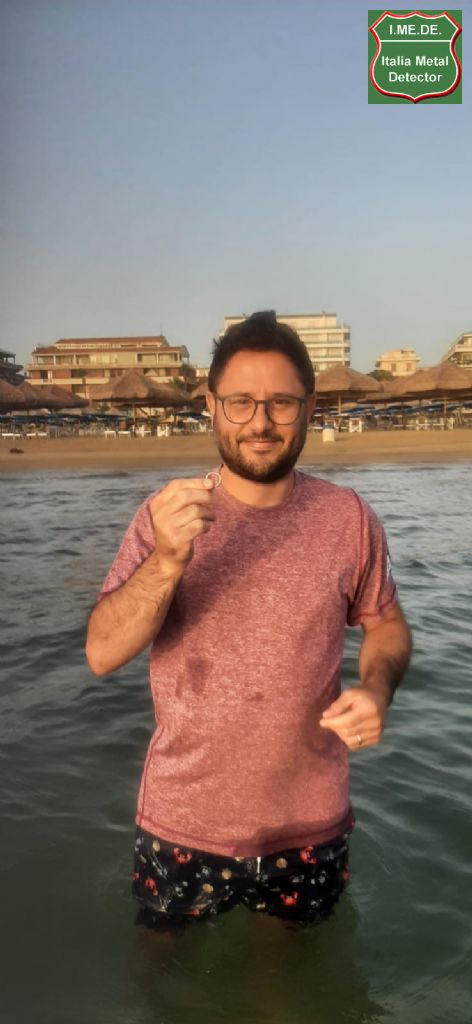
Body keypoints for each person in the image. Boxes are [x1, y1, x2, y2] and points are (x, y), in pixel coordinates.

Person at [86, 311, 412, 926]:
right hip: (181, 822)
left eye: (281, 403)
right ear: (211, 406)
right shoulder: (165, 516)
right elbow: (101, 654)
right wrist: (168, 560)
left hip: (310, 823)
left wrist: (376, 689)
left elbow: (386, 623)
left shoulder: (350, 519)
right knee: (161, 968)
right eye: (240, 402)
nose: (260, 423)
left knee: (290, 975)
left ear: (309, 408)